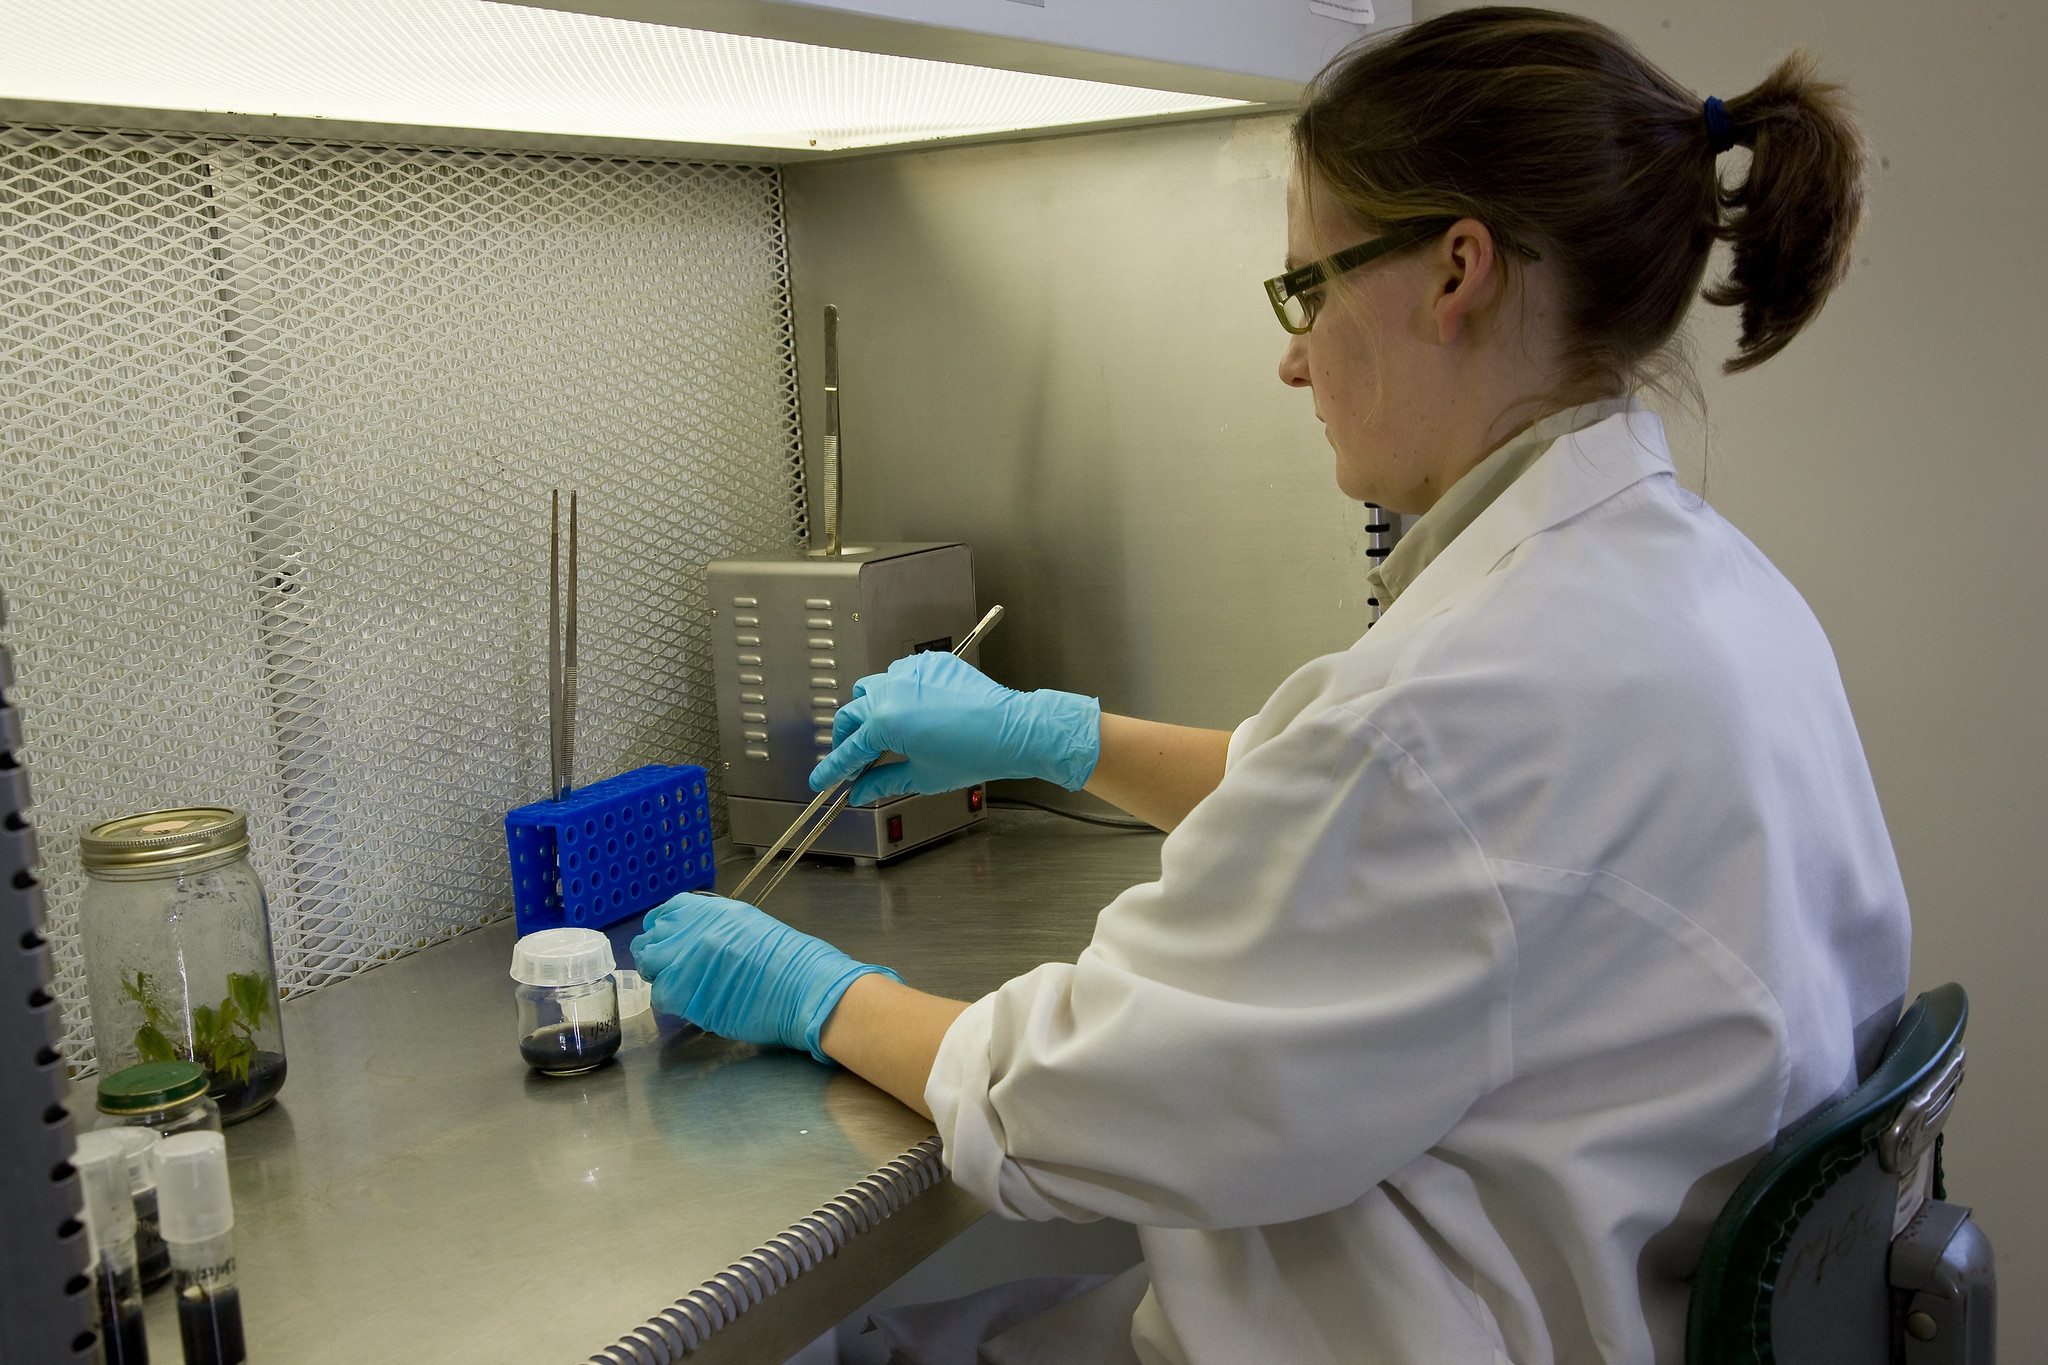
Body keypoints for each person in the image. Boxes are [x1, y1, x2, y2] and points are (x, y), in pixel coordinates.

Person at [629, 9, 1911, 1362]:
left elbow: (1070, 1101)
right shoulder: (1706, 589)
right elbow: (1380, 827)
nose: (1294, 356)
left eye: (1311, 287)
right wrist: (1050, 736)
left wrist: (814, 994)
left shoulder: (1464, 701)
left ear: (1454, 273)